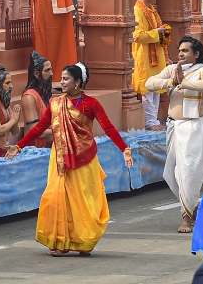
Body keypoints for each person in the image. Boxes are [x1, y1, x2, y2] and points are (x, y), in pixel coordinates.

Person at [16, 62, 133, 256]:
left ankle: (82, 240)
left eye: (65, 79)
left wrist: (124, 149)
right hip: (61, 158)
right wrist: (19, 145)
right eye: (61, 78)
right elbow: (38, 128)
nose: (61, 82)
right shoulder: (56, 103)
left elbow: (109, 128)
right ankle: (60, 241)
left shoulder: (92, 104)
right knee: (56, 198)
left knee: (83, 201)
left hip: (85, 159)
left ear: (77, 82)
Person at [146, 36, 203, 233]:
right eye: (180, 50)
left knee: (189, 172)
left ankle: (186, 219)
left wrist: (184, 83)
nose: (181, 54)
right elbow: (149, 83)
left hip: (194, 127)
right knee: (172, 174)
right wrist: (171, 80)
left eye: (186, 51)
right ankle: (192, 207)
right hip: (174, 127)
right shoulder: (172, 70)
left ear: (196, 54)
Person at [132, 0, 169, 130]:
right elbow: (137, 35)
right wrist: (157, 32)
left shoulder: (152, 11)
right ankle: (150, 122)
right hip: (144, 55)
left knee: (156, 87)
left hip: (156, 55)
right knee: (148, 89)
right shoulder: (137, 10)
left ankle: (154, 120)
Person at [19, 51, 53, 148]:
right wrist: (60, 130)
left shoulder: (46, 95)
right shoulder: (29, 97)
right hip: (34, 150)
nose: (51, 74)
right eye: (47, 70)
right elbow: (33, 131)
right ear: (37, 74)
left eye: (51, 70)